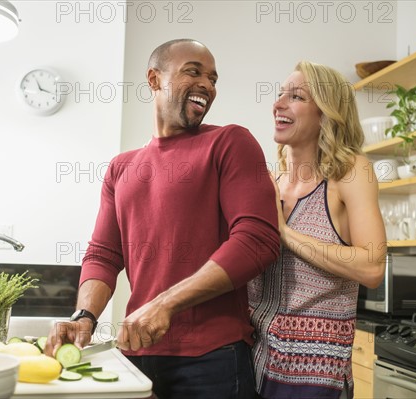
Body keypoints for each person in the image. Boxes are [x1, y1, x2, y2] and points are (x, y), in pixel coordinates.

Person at [44, 38, 280, 398]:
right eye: (193, 71)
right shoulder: (121, 168)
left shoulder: (230, 143)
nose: (207, 85)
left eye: (213, 78)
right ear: (154, 79)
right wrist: (84, 316)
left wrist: (165, 303)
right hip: (136, 354)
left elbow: (257, 241)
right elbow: (104, 254)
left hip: (213, 359)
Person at [248, 61, 387, 399]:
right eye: (280, 94)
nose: (278, 103)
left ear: (326, 114)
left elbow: (372, 267)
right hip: (253, 365)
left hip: (313, 381)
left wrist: (284, 232)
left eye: (295, 96)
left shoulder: (351, 173)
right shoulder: (271, 183)